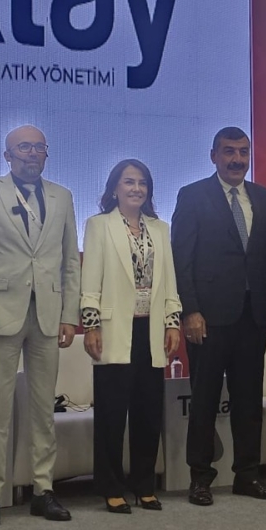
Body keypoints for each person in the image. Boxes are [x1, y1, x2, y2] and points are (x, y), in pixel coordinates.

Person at [0, 125, 80, 528]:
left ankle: (43, 489)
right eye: (23, 147)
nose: (31, 153)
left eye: (38, 147)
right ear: (7, 155)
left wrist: (69, 314)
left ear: (47, 154)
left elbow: (70, 261)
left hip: (47, 313)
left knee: (44, 409)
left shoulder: (63, 196)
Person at [171, 127, 266, 507]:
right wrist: (190, 310)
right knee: (204, 401)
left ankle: (248, 476)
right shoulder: (192, 195)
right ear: (214, 156)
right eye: (229, 151)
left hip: (253, 316)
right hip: (208, 317)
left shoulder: (263, 197)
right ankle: (200, 478)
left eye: (243, 152)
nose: (237, 159)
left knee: (249, 402)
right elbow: (181, 259)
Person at [80, 160, 182, 512]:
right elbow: (90, 280)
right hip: (113, 330)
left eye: (142, 183)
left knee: (148, 412)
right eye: (128, 182)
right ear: (115, 188)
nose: (136, 188)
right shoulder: (99, 225)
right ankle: (110, 486)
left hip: (151, 330)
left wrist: (172, 322)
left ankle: (144, 485)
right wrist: (91, 324)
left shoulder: (160, 229)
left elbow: (170, 280)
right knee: (111, 413)